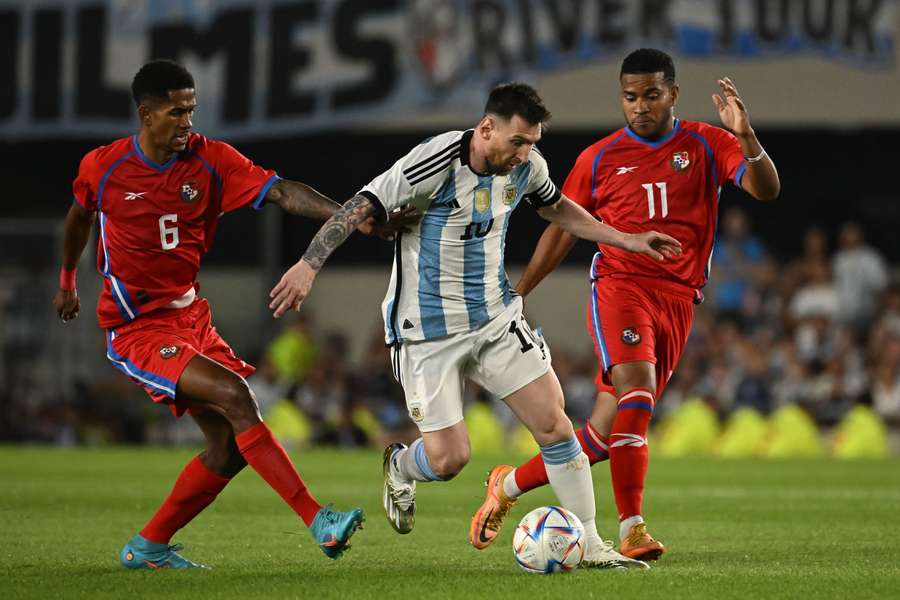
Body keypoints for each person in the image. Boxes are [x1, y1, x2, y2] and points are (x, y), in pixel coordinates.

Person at [267, 82, 682, 569]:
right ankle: (401, 463)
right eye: (518, 142)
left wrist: (623, 239)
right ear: (487, 128)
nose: (525, 153)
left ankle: (590, 543)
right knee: (449, 460)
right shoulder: (433, 162)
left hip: (494, 318)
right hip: (426, 330)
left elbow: (557, 207)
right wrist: (309, 264)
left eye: (533, 143)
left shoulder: (527, 167)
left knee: (554, 421)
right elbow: (360, 207)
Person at [52, 60, 411, 569]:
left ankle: (148, 546)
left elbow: (284, 191)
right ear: (147, 114)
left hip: (190, 317)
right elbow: (78, 218)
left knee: (229, 448)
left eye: (192, 111)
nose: (188, 122)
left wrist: (350, 217)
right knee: (235, 396)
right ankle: (318, 520)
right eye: (177, 112)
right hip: (136, 328)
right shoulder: (104, 167)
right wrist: (68, 281)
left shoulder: (211, 160)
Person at [470, 48, 781, 561]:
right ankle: (632, 528)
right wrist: (520, 292)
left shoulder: (707, 143)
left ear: (673, 95)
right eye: (631, 97)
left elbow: (765, 189)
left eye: (652, 95)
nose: (640, 106)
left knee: (601, 437)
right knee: (639, 394)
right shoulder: (598, 158)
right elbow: (561, 230)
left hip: (680, 299)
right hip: (621, 284)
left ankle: (505, 486)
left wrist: (746, 137)